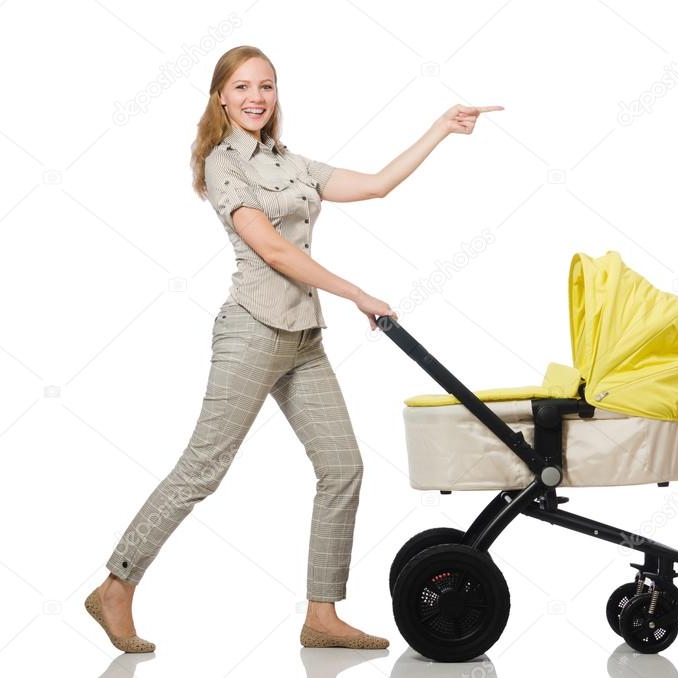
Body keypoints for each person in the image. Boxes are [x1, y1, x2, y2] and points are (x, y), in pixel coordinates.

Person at [84, 44, 502, 653]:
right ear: (221, 96)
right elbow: (274, 251)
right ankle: (117, 585)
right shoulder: (221, 165)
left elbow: (378, 184)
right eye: (244, 86)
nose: (257, 97)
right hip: (252, 331)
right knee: (203, 468)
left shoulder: (292, 162)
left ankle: (321, 615)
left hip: (303, 337)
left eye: (268, 86)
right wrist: (357, 292)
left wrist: (439, 128)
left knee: (343, 468)